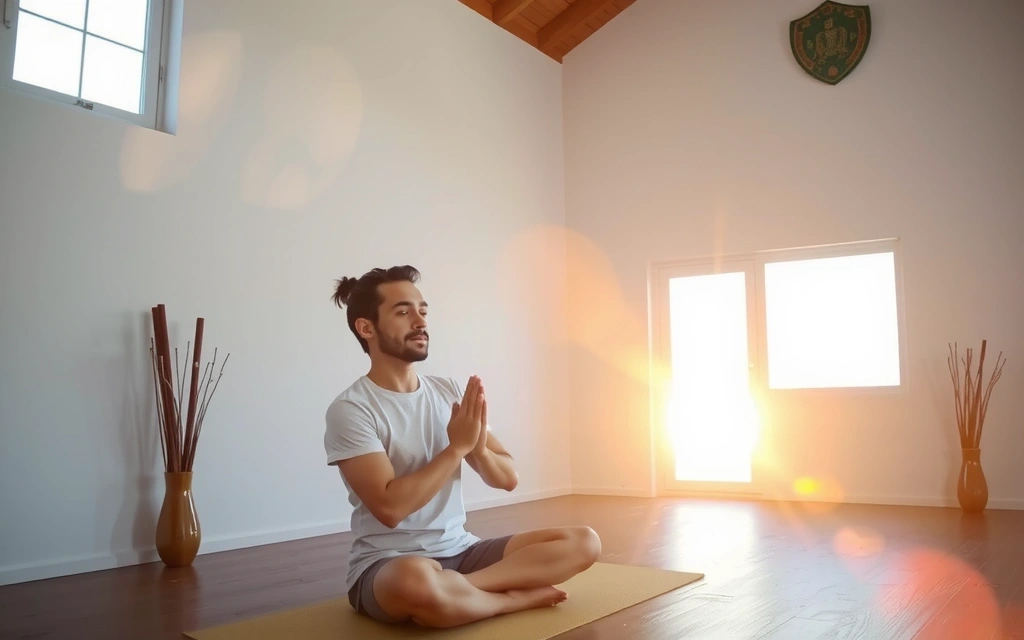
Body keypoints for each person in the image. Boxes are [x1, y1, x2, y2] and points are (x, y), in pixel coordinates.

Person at [324, 265, 601, 628]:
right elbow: (390, 509)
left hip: (463, 551)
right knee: (416, 584)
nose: (420, 322)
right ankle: (508, 599)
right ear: (366, 328)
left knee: (584, 542)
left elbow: (508, 479)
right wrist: (456, 449)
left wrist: (478, 449)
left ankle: (461, 592)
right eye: (403, 312)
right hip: (391, 564)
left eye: (423, 311)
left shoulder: (448, 392)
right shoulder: (351, 409)